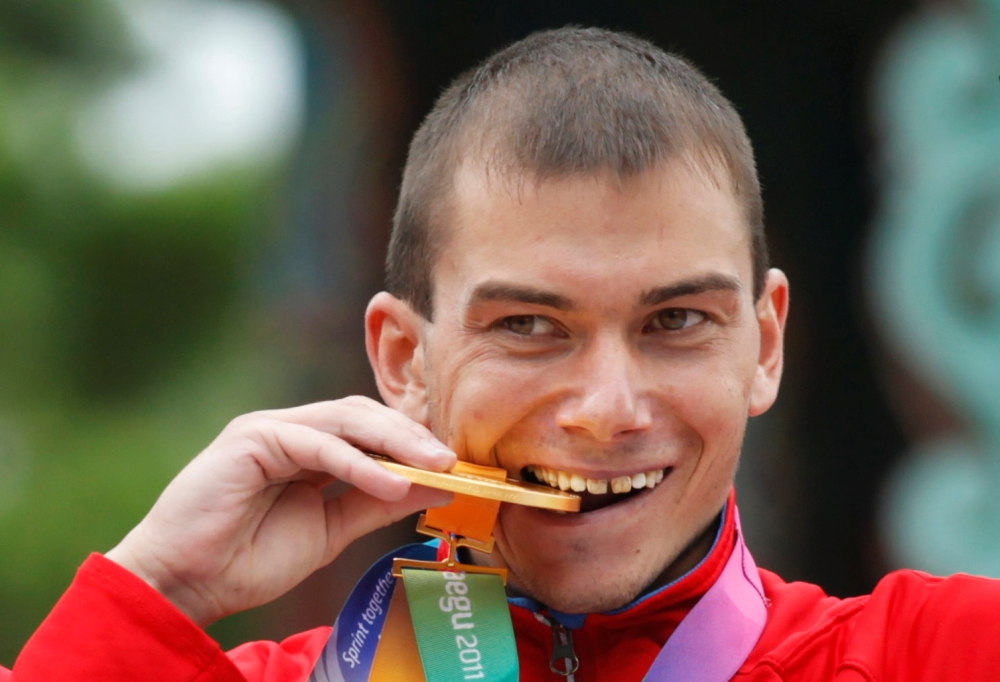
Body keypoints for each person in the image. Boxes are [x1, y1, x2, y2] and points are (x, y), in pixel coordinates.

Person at [5, 26, 1000, 682]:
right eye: (529, 326)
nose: (607, 407)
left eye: (674, 322)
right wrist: (154, 586)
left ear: (764, 344)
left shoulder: (939, 652)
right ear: (403, 360)